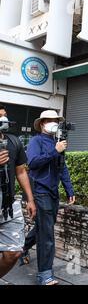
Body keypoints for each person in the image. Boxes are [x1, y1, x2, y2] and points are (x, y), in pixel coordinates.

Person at [22, 110, 76, 285]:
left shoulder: (57, 142)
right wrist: (55, 151)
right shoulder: (36, 141)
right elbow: (32, 163)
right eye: (51, 120)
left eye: (56, 121)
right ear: (43, 123)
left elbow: (62, 168)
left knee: (42, 228)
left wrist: (69, 189)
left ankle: (22, 249)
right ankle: (45, 275)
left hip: (53, 193)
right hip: (40, 191)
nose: (54, 123)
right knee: (47, 235)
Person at [0, 104, 36, 278]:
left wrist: (30, 199)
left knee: (13, 253)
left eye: (4, 116)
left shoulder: (14, 141)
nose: (3, 120)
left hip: (8, 205)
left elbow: (21, 171)